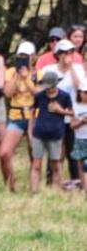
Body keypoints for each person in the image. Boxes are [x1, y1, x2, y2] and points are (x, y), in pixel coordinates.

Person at [41, 38, 87, 186]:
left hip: (73, 115)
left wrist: (71, 68)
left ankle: (76, 182)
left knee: (73, 151)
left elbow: (79, 87)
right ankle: (52, 181)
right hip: (55, 115)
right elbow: (45, 91)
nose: (68, 55)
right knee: (55, 150)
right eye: (64, 53)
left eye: (70, 52)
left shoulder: (78, 68)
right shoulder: (49, 70)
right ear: (58, 54)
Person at [0, 42, 36, 192]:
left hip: (34, 115)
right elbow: (7, 93)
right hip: (16, 115)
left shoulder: (38, 73)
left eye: (27, 56)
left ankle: (34, 187)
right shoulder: (11, 72)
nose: (24, 59)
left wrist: (27, 78)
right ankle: (10, 185)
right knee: (4, 152)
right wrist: (17, 76)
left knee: (34, 153)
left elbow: (38, 94)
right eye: (21, 56)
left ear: (33, 57)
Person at [29, 72, 72, 194]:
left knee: (55, 163)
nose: (48, 89)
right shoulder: (39, 96)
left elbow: (73, 113)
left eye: (49, 87)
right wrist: (30, 130)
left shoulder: (65, 96)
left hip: (56, 135)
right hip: (39, 134)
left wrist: (60, 111)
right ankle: (34, 191)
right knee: (36, 164)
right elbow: (32, 112)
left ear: (55, 85)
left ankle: (57, 190)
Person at [69, 86, 87, 191]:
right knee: (80, 165)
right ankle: (84, 188)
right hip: (79, 138)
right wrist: (82, 122)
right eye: (84, 92)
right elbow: (72, 125)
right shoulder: (75, 107)